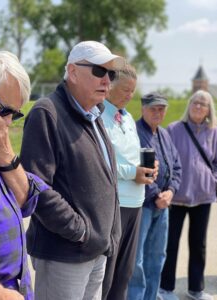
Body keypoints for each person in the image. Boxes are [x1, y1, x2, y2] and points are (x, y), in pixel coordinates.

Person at [20, 41, 125, 300]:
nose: (106, 80)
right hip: (65, 254)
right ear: (73, 71)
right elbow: (37, 187)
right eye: (99, 71)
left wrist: (105, 236)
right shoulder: (48, 113)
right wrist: (81, 232)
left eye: (110, 73)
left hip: (96, 250)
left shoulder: (95, 115)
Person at [0, 47, 49, 300]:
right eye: (3, 111)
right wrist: (1, 294)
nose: (7, 123)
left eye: (14, 114)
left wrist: (5, 155)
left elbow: (27, 200)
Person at [101, 65, 158, 300]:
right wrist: (131, 172)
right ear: (110, 85)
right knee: (107, 273)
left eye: (133, 90)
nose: (130, 95)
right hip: (116, 204)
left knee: (125, 273)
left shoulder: (127, 119)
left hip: (137, 203)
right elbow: (100, 164)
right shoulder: (99, 116)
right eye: (126, 89)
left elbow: (131, 157)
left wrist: (148, 169)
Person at [159, 90, 217, 300]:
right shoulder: (174, 129)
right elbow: (165, 158)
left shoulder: (214, 132)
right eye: (195, 102)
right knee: (170, 243)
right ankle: (165, 288)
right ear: (189, 104)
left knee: (198, 244)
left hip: (203, 197)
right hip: (176, 196)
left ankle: (196, 289)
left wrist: (213, 180)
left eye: (204, 103)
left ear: (209, 108)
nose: (199, 106)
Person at [127, 92, 182, 300]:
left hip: (163, 206)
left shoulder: (165, 134)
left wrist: (171, 192)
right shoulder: (133, 132)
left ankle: (151, 296)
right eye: (153, 108)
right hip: (143, 206)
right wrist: (157, 195)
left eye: (161, 109)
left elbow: (177, 167)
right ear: (143, 109)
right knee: (137, 260)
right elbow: (136, 167)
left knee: (158, 257)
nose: (158, 113)